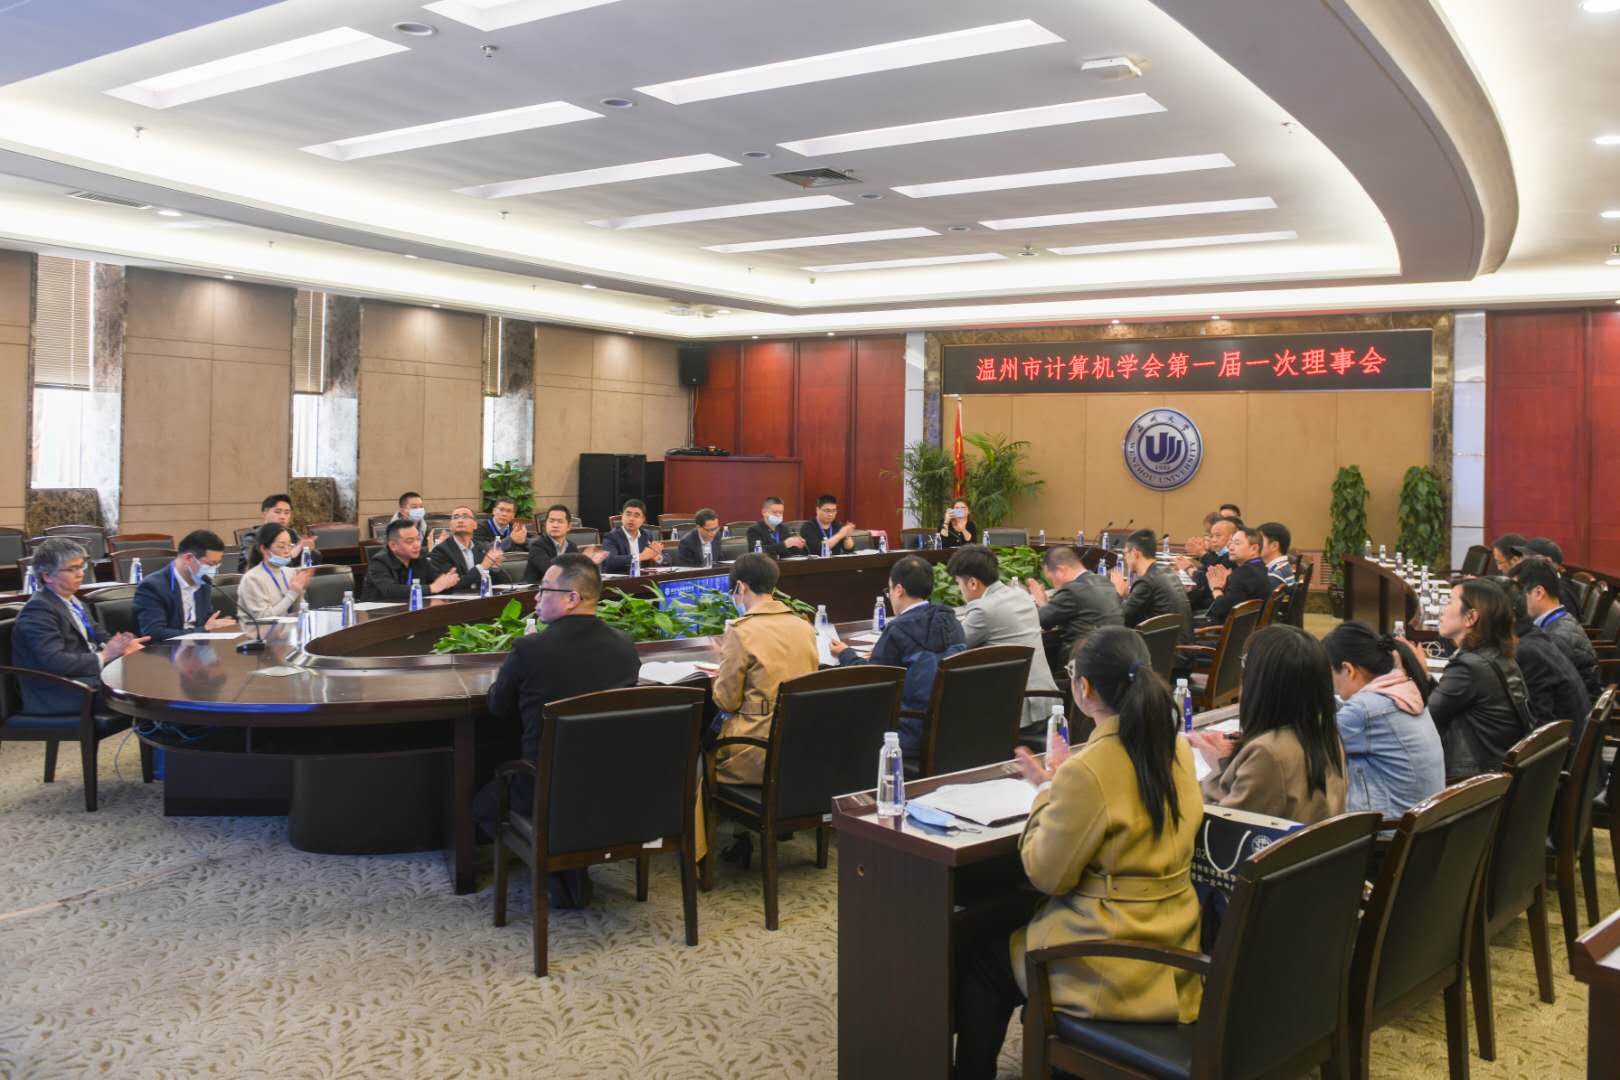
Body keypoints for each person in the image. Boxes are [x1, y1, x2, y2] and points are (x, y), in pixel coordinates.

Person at [952, 627, 1203, 1078]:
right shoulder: (1175, 747)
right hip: (1175, 941)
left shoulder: (1088, 770)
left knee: (983, 963)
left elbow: (1046, 875)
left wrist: (1047, 790)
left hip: (1111, 958)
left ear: (1083, 689)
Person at [473, 554, 641, 908]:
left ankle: (554, 867)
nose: (535, 598)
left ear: (571, 598)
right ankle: (569, 867)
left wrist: (519, 659)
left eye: (543, 590)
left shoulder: (530, 649)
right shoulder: (625, 647)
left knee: (484, 803)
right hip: (612, 788)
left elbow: (498, 706)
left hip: (543, 790)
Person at [1190, 625, 1347, 823]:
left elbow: (1222, 823)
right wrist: (1224, 761)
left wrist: (1215, 770)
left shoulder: (1267, 752)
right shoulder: (1328, 736)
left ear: (1260, 683)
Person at [829, 555, 965, 763]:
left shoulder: (898, 629)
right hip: (950, 728)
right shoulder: (950, 620)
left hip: (907, 733)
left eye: (889, 590)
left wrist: (845, 654)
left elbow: (873, 680)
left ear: (899, 590)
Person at [711, 553, 819, 786]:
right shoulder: (804, 626)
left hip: (754, 751)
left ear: (740, 587)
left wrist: (721, 666)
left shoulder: (740, 631)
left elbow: (726, 701)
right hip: (799, 746)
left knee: (696, 764)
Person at [1322, 621, 1445, 819]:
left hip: (1386, 830)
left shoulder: (1364, 710)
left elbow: (1313, 743)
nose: (1332, 686)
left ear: (1348, 669)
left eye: (1329, 675)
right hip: (1418, 823)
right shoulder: (1404, 690)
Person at [11, 538, 147, 715]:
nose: (80, 574)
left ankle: (161, 730)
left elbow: (99, 636)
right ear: (47, 576)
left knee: (149, 675)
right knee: (144, 687)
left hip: (86, 679)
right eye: (71, 569)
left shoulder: (74, 601)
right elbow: (54, 661)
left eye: (81, 567)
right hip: (60, 691)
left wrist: (124, 645)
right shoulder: (38, 610)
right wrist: (106, 655)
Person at [1428, 578, 1536, 782]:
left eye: (1449, 602)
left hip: (1473, 781)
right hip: (1496, 771)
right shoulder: (1497, 655)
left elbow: (1427, 721)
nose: (1442, 610)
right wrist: (1424, 674)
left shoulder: (1468, 667)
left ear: (1470, 617)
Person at [948, 545, 1059, 728]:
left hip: (1018, 712)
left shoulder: (983, 609)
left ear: (973, 583)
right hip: (1048, 701)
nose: (960, 589)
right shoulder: (1021, 595)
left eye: (959, 583)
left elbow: (954, 647)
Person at [1498, 575, 1591, 747]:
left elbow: (1539, 724)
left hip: (1563, 751)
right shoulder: (1536, 635)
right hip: (1570, 737)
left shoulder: (1531, 649)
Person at [1511, 556, 1601, 698]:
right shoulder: (1561, 618)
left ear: (1538, 592)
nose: (1514, 602)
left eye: (1517, 595)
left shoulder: (1554, 639)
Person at [133, 530, 237, 642]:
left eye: (217, 564)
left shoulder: (203, 583)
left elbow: (207, 622)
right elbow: (154, 634)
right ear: (188, 558)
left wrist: (220, 624)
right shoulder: (152, 586)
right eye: (210, 564)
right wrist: (204, 630)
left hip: (198, 648)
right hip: (165, 650)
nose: (214, 570)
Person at [1025, 544, 1123, 663]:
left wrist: (1041, 601)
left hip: (1084, 662)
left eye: (1051, 579)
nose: (1052, 584)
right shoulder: (1104, 581)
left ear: (1061, 570)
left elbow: (1042, 620)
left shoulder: (1072, 591)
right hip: (1115, 655)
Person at [1111, 528, 1195, 654]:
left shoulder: (1146, 581)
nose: (1125, 558)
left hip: (1165, 656)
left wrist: (1118, 593)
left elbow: (1120, 618)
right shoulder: (1167, 573)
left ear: (1135, 553)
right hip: (1181, 651)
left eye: (1126, 553)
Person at [362, 518, 460, 602]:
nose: (417, 545)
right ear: (393, 545)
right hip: (380, 614)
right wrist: (431, 588)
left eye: (418, 539)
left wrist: (448, 582)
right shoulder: (379, 562)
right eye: (410, 541)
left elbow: (438, 583)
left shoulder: (419, 559)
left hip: (412, 609)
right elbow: (390, 590)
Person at [237, 524, 316, 621]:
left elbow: (296, 613)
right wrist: (293, 593)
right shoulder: (252, 578)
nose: (287, 551)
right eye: (281, 546)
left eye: (290, 545)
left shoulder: (290, 572)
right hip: (261, 630)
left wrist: (300, 591)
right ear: (264, 549)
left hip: (287, 628)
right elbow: (263, 619)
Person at [1201, 523, 1271, 625]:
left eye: (1237, 543)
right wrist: (1226, 583)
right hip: (1249, 627)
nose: (1231, 547)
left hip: (1232, 631)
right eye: (1231, 543)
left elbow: (1220, 609)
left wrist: (1216, 588)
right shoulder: (1259, 567)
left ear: (1254, 548)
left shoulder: (1244, 572)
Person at [429, 505, 505, 593]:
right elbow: (451, 587)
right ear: (450, 526)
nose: (460, 520)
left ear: (475, 525)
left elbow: (502, 583)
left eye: (465, 517)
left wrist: (495, 567)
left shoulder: (482, 548)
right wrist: (481, 567)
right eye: (455, 517)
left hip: (481, 597)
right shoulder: (441, 551)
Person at [1523, 538, 1588, 628]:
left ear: (1547, 561)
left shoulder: (1562, 592)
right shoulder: (1551, 584)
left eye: (1528, 558)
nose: (1523, 563)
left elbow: (1565, 628)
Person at [524, 504, 595, 583]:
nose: (555, 525)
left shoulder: (572, 547)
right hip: (537, 589)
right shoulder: (537, 546)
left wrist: (586, 563)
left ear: (569, 526)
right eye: (551, 521)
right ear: (545, 524)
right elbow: (550, 571)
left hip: (563, 588)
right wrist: (581, 562)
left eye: (560, 522)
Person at [1179, 515, 1236, 608]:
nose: (1213, 540)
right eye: (1211, 536)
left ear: (1231, 537)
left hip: (1213, 605)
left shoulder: (1232, 556)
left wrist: (1201, 554)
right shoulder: (1216, 553)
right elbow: (1204, 571)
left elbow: (1207, 575)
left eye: (1218, 536)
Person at [240, 493, 314, 565]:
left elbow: (311, 558)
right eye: (277, 512)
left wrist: (307, 547)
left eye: (286, 513)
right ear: (264, 514)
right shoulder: (251, 537)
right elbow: (257, 562)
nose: (282, 517)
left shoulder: (291, 533)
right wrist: (291, 554)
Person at [600, 499, 665, 573]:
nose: (631, 519)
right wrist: (640, 556)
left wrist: (657, 557)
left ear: (643, 519)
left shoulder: (646, 535)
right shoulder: (611, 537)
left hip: (642, 578)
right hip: (619, 578)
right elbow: (611, 560)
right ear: (622, 516)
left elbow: (666, 559)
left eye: (636, 516)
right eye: (628, 514)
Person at [1255, 521, 1295, 588]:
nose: (1255, 545)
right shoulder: (1282, 567)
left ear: (1274, 546)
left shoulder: (1275, 576)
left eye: (1260, 541)